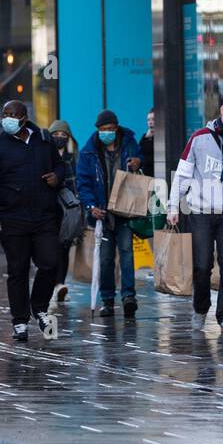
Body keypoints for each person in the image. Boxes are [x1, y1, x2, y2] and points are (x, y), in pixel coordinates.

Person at [166, 93, 223, 334]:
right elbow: (183, 175)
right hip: (200, 212)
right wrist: (173, 206)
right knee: (202, 265)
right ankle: (200, 308)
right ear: (222, 110)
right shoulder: (199, 139)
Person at [0, 100, 64, 341]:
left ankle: (38, 306)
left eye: (11, 114)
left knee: (49, 262)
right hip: (12, 216)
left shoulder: (44, 139)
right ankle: (19, 320)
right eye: (4, 114)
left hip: (44, 214)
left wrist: (57, 177)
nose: (6, 118)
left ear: (24, 118)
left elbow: (61, 165)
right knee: (18, 269)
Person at [75, 110, 143, 318]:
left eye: (111, 129)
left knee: (127, 254)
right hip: (102, 214)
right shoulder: (89, 151)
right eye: (104, 130)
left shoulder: (129, 141)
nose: (107, 133)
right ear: (97, 130)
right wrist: (90, 206)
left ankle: (129, 297)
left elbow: (141, 160)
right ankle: (107, 300)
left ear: (117, 128)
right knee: (105, 259)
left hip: (124, 209)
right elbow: (83, 182)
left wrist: (138, 162)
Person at [48, 120, 77, 303]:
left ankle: (60, 283)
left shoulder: (72, 157)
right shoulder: (44, 155)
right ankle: (52, 282)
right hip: (49, 206)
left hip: (68, 207)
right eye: (56, 135)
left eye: (63, 135)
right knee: (51, 246)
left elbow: (76, 181)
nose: (59, 138)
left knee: (64, 245)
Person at [139, 110, 156, 179]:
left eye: (153, 119)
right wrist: (147, 137)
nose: (150, 122)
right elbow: (139, 152)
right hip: (146, 177)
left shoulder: (163, 138)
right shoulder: (145, 137)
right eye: (148, 120)